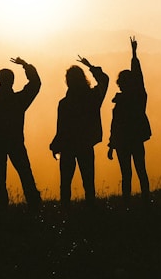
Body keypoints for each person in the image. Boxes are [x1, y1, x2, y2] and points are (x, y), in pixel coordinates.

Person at [0, 57, 42, 209]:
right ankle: (34, 202)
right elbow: (36, 84)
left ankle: (2, 204)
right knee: (25, 172)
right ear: (12, 81)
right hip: (16, 142)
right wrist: (25, 66)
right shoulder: (18, 100)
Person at [50, 56, 109, 209]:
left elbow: (61, 128)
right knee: (88, 182)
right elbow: (104, 80)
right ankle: (90, 211)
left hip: (68, 147)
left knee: (65, 183)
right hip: (86, 144)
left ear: (68, 81)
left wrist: (55, 145)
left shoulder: (64, 103)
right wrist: (91, 67)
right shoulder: (93, 97)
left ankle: (65, 211)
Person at [107, 36, 151, 206]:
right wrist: (133, 54)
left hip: (122, 142)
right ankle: (145, 201)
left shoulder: (125, 100)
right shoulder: (139, 97)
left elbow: (115, 126)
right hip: (135, 139)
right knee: (140, 170)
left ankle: (127, 204)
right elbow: (139, 77)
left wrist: (112, 145)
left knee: (127, 174)